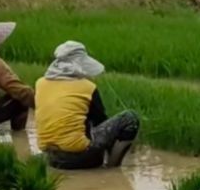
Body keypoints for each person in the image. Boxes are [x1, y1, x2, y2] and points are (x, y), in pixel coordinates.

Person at [35, 41, 139, 170]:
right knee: (130, 118)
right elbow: (100, 121)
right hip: (80, 159)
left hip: (51, 158)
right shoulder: (87, 87)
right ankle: (113, 168)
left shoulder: (40, 83)